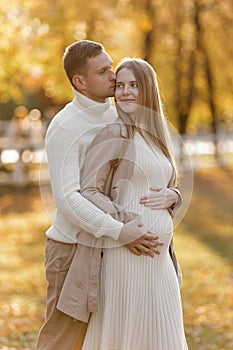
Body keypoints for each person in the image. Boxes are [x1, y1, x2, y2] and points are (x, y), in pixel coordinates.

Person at [35, 41, 167, 350]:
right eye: (104, 70)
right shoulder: (66, 126)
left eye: (112, 66)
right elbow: (68, 199)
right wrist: (120, 231)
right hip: (71, 250)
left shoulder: (117, 113)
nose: (113, 75)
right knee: (63, 341)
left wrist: (172, 194)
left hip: (113, 251)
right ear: (80, 82)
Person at [79, 58, 188, 349]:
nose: (125, 92)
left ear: (148, 90)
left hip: (159, 259)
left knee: (163, 334)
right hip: (127, 252)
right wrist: (125, 223)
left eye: (134, 85)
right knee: (129, 336)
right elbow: (89, 190)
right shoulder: (114, 134)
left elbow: (167, 184)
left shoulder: (156, 137)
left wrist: (173, 196)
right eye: (121, 85)